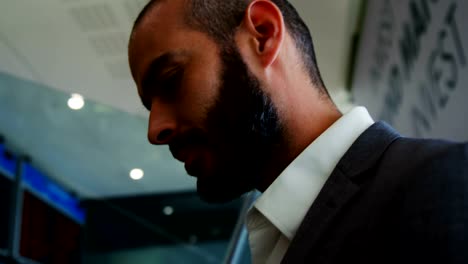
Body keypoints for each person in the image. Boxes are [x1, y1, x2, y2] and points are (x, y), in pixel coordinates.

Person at [127, 0, 468, 263]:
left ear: (262, 34)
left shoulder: (441, 183)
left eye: (171, 80)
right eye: (149, 106)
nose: (155, 129)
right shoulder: (273, 241)